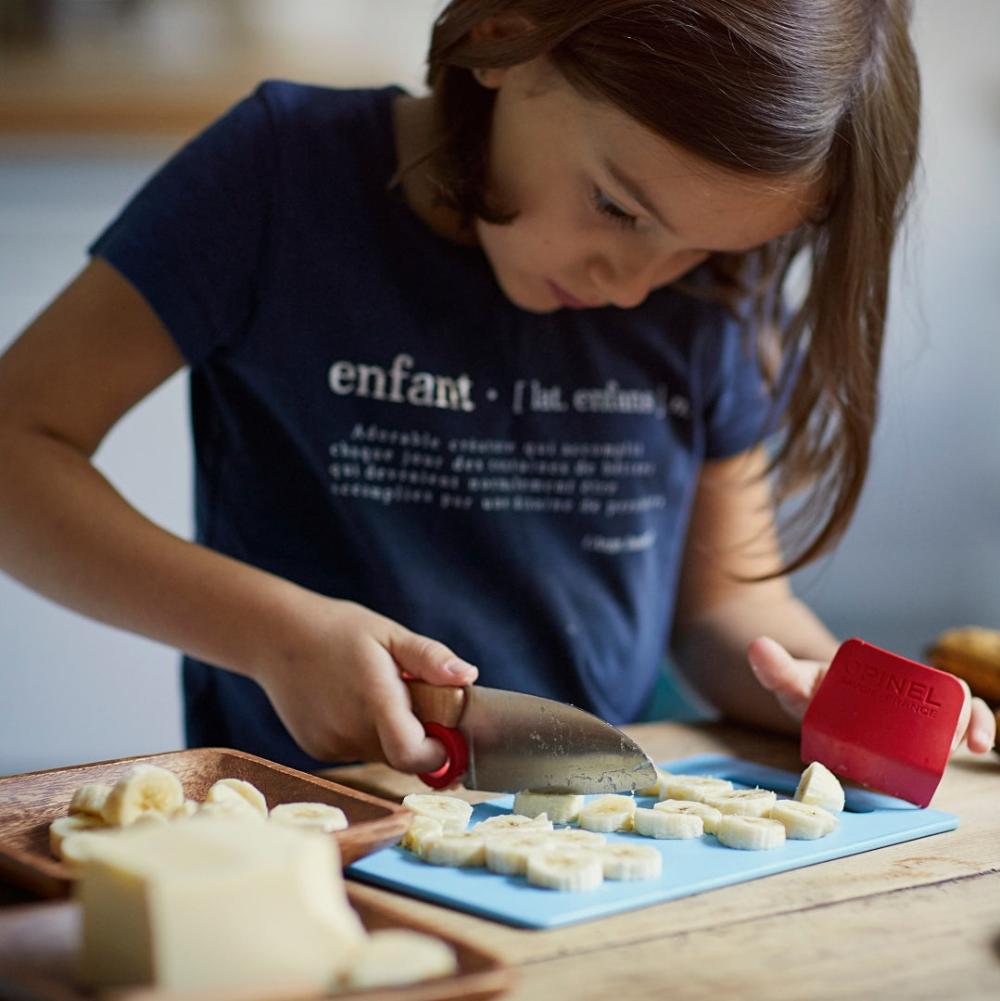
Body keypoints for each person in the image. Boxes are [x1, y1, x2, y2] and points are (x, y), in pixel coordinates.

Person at [0, 0, 993, 778]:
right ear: (502, 37)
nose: (634, 283)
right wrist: (272, 635)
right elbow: (16, 449)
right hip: (304, 836)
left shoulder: (705, 285)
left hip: (595, 843)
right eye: (616, 205)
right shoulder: (277, 180)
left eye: (702, 250)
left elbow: (726, 602)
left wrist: (822, 689)